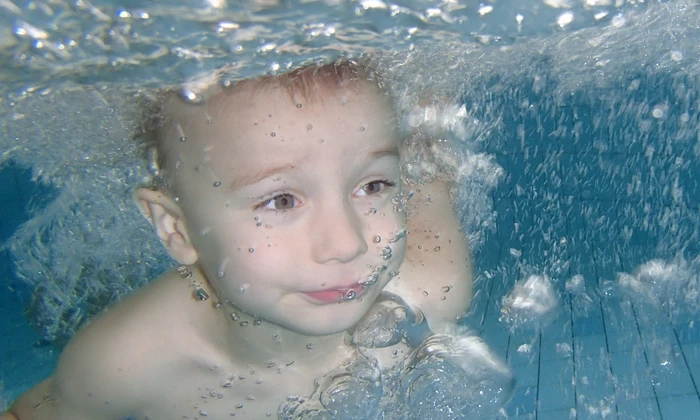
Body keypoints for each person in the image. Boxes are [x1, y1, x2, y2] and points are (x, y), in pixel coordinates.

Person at [2, 59, 472, 419]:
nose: (346, 244)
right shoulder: (125, 362)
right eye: (282, 201)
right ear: (176, 228)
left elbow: (429, 182)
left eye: (373, 186)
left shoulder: (432, 288)